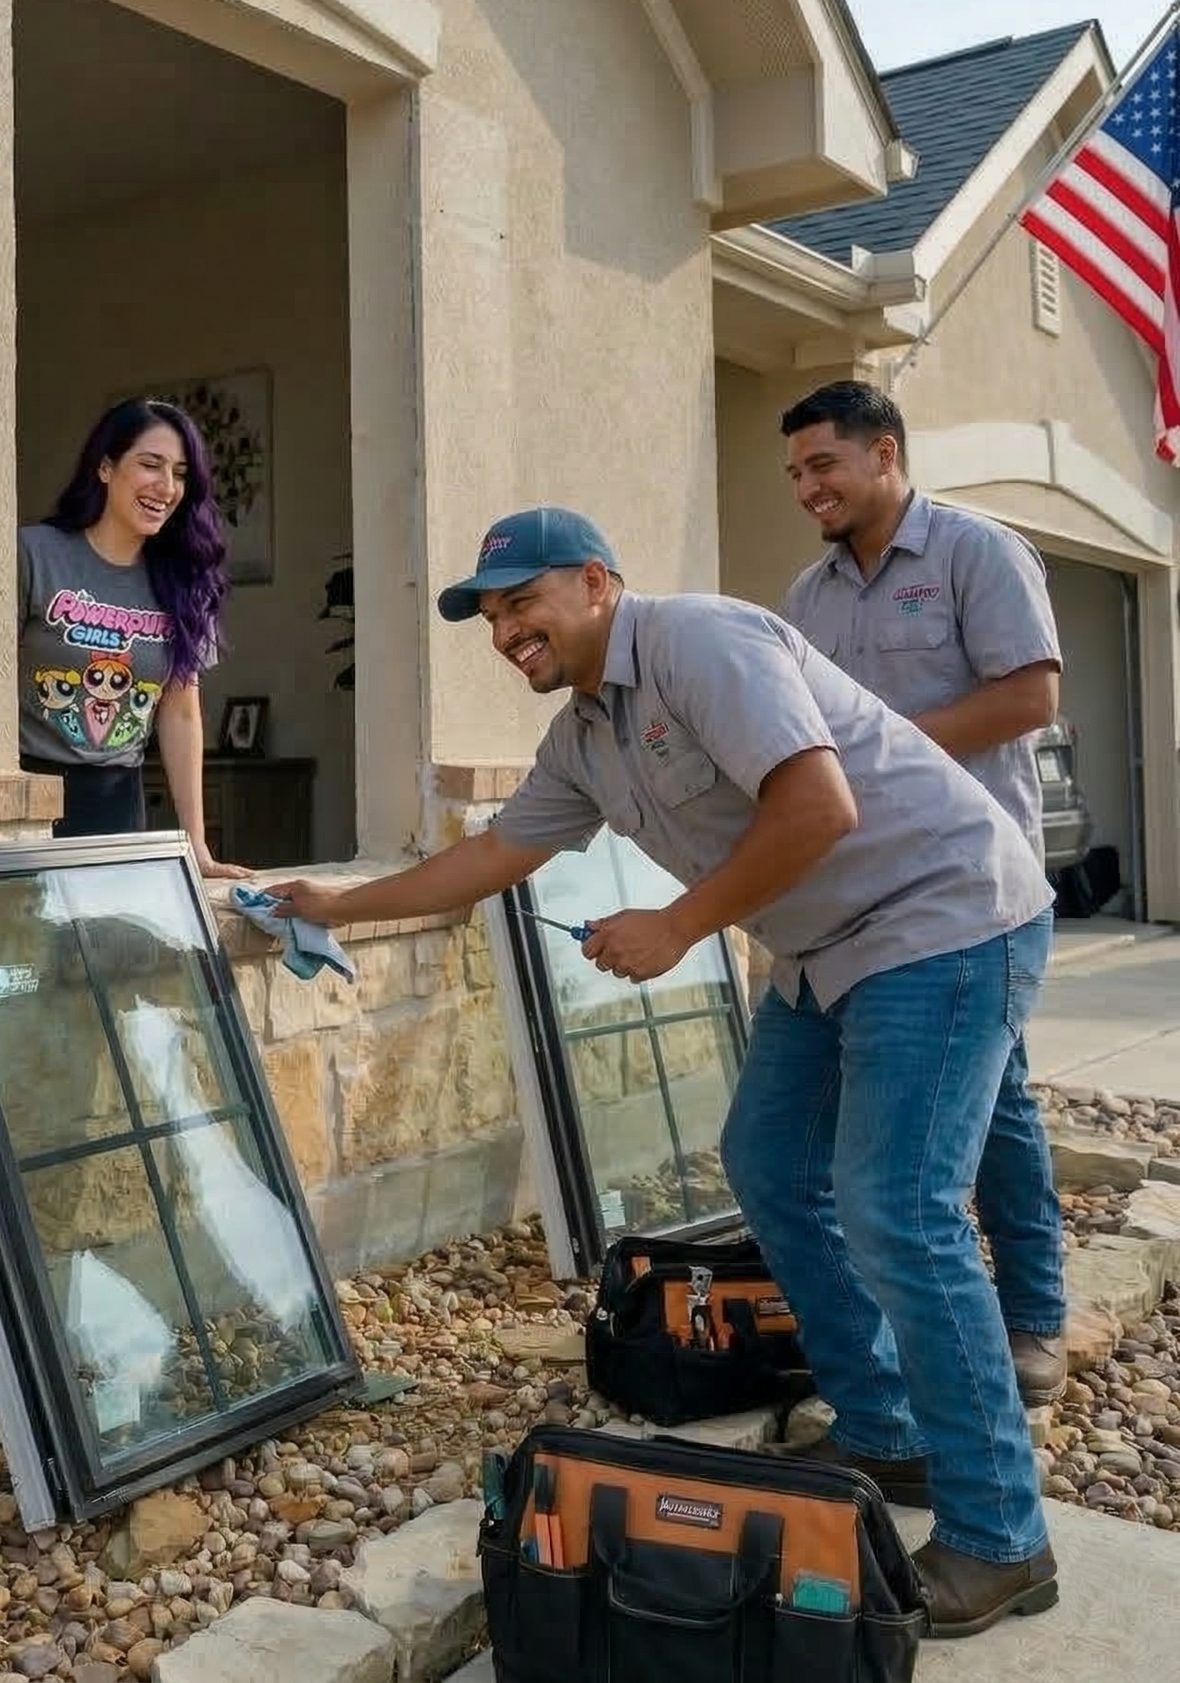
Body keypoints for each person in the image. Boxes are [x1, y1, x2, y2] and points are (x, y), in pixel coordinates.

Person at [273, 506, 1059, 1638]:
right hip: (830, 948)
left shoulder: (702, 642)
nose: (506, 633)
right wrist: (335, 900)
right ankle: (889, 1434)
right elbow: (491, 856)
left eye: (523, 603)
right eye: (492, 617)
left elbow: (819, 804)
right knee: (772, 1165)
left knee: (901, 1209)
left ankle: (1003, 1537)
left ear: (598, 582)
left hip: (941, 921)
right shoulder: (587, 734)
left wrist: (680, 924)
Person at [777, 378, 1067, 1407]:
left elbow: (1031, 694)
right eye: (797, 474)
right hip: (862, 895)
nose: (809, 489)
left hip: (976, 887)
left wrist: (883, 757)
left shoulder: (976, 554)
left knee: (1000, 1106)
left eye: (825, 466)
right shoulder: (805, 602)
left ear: (886, 454)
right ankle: (925, 1312)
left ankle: (1034, 1319)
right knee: (917, 1121)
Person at [19, 397, 251, 877]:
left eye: (181, 473)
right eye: (151, 464)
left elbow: (181, 712)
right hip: (28, 798)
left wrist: (197, 847)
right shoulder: (34, 554)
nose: (166, 487)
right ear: (105, 467)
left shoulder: (185, 581)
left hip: (118, 806)